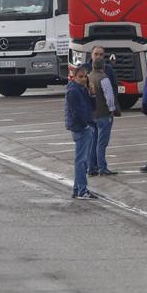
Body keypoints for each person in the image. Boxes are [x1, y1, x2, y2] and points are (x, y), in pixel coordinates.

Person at [64, 67, 97, 199]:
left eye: (85, 77)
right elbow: (75, 112)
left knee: (83, 160)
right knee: (81, 160)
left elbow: (91, 107)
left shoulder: (83, 89)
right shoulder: (73, 91)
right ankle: (82, 190)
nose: (84, 79)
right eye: (81, 77)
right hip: (80, 128)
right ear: (74, 77)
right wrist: (85, 125)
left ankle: (77, 188)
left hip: (85, 125)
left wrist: (92, 93)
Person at [89, 57, 121, 177]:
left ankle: (91, 167)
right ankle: (102, 167)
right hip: (103, 114)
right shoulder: (104, 79)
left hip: (92, 114)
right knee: (102, 143)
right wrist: (112, 110)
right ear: (103, 67)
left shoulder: (88, 77)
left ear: (92, 66)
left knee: (93, 142)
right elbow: (109, 97)